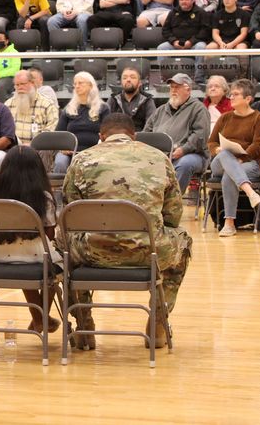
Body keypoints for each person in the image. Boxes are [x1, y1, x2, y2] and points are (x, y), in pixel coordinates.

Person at [63, 112, 192, 348]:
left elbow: (71, 213)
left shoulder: (81, 159)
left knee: (64, 248)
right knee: (183, 243)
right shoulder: (159, 158)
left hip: (93, 250)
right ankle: (158, 321)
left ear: (101, 136)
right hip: (148, 251)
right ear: (134, 136)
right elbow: (173, 215)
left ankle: (84, 324)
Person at [0, 146, 61, 333]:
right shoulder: (43, 197)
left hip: (1, 256)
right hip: (37, 256)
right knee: (57, 269)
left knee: (20, 266)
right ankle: (41, 317)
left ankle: (39, 319)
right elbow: (50, 234)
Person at [206, 78, 260, 236]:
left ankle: (229, 223)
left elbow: (259, 144)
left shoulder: (259, 118)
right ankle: (250, 192)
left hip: (249, 163)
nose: (231, 97)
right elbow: (211, 142)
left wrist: (242, 158)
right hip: (220, 161)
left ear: (248, 99)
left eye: (235, 94)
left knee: (229, 176)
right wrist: (218, 149)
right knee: (226, 154)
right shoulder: (225, 117)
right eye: (231, 94)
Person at [142, 74, 210, 193]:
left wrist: (184, 150)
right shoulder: (160, 110)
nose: (173, 90)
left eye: (177, 87)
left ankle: (172, 203)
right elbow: (146, 133)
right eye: (172, 87)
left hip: (192, 155)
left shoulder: (198, 109)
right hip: (161, 156)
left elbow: (200, 136)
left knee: (185, 164)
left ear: (188, 89)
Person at [54, 72, 104, 171]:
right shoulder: (68, 109)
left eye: (80, 83)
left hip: (95, 152)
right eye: (75, 84)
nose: (77, 86)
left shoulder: (103, 108)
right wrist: (63, 148)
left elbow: (107, 133)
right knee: (60, 162)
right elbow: (58, 134)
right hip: (71, 153)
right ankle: (62, 186)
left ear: (91, 85)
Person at [107, 67, 156, 131]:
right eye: (124, 78)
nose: (128, 80)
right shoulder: (113, 99)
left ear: (139, 83)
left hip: (139, 138)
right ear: (121, 83)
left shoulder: (147, 101)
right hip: (117, 138)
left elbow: (151, 126)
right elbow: (105, 124)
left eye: (132, 77)